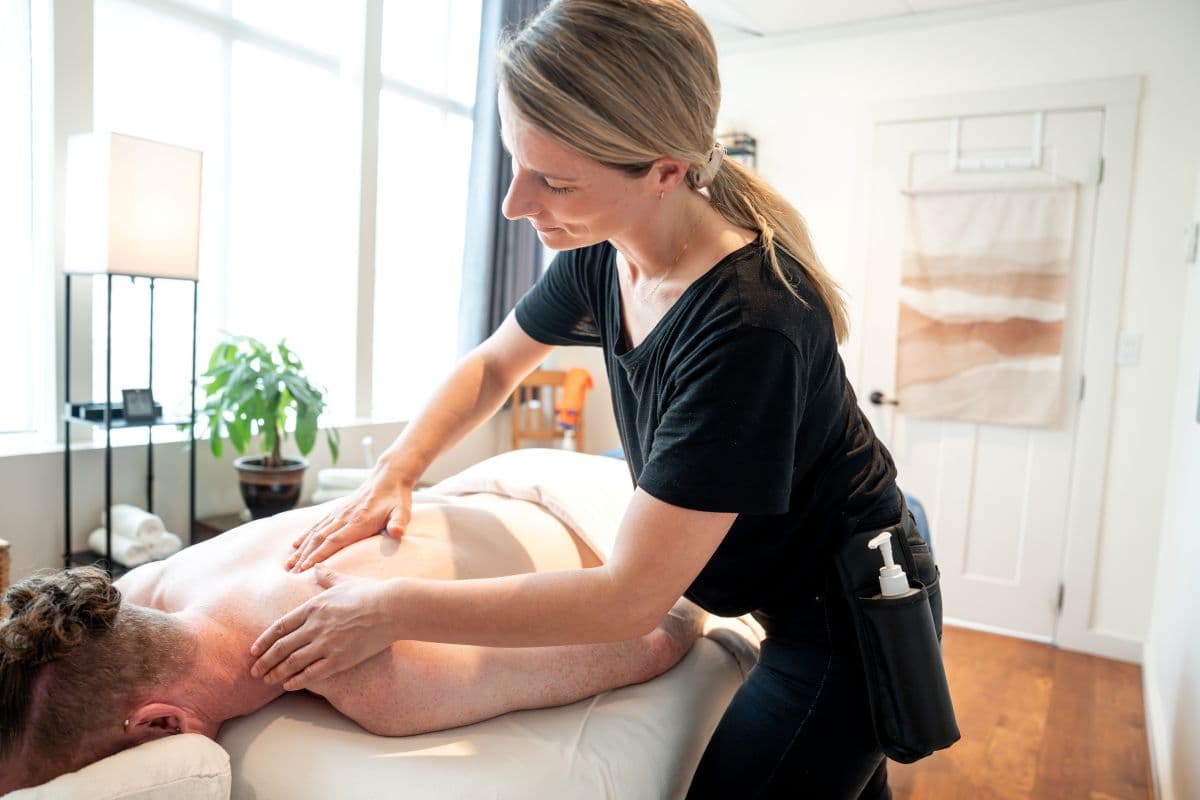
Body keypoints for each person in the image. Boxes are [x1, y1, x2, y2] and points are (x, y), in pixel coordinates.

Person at [251, 1, 943, 796]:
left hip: (841, 617)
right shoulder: (602, 255)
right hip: (772, 587)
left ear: (664, 171)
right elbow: (491, 366)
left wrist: (390, 609)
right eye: (515, 162)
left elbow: (627, 601)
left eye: (554, 180)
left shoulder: (753, 327)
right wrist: (399, 468)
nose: (516, 203)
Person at [0, 497, 705, 794]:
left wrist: (705, 597)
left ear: (162, 725)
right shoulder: (152, 585)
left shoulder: (377, 676)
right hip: (476, 495)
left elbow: (655, 633)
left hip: (599, 507)